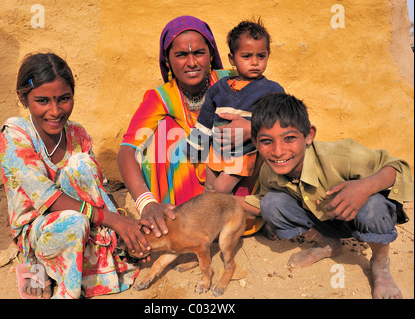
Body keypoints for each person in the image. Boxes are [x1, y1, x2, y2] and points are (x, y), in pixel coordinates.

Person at [0, 52, 152, 299]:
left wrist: (121, 220)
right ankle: (55, 281)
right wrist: (111, 220)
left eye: (64, 99)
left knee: (82, 165)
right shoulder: (15, 133)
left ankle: (95, 255)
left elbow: (97, 188)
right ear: (23, 98)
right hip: (39, 228)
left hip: (84, 220)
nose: (55, 110)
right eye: (43, 101)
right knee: (74, 223)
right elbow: (45, 196)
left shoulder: (78, 133)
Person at [244, 92, 413, 299]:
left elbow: (398, 167)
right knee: (271, 202)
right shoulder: (268, 171)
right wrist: (217, 202)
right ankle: (326, 244)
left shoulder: (342, 155)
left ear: (309, 135)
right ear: (255, 141)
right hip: (324, 221)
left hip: (361, 218)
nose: (278, 151)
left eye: (289, 138)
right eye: (267, 141)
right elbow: (263, 203)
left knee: (374, 205)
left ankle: (380, 263)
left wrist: (364, 187)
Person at [118, 16, 268, 237]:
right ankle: (182, 220)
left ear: (211, 55)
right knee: (163, 133)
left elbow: (279, 115)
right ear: (167, 60)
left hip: (236, 174)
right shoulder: (161, 97)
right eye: (181, 55)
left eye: (198, 53)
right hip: (191, 187)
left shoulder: (235, 81)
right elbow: (127, 150)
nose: (192, 62)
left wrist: (251, 128)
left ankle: (250, 212)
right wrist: (146, 203)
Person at [187, 19, 284, 194]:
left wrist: (253, 126)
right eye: (247, 56)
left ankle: (227, 218)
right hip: (217, 149)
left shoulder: (272, 91)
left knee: (221, 189)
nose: (255, 62)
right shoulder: (219, 88)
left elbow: (281, 120)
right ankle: (210, 221)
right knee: (208, 187)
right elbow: (206, 118)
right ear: (232, 59)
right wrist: (196, 146)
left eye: (261, 56)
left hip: (243, 152)